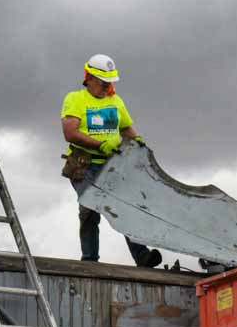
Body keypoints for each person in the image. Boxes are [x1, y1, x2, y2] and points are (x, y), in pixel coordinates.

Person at [60, 54, 162, 267]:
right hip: (84, 164)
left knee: (124, 206)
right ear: (89, 78)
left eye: (110, 83)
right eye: (103, 83)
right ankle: (90, 260)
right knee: (90, 207)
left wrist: (137, 139)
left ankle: (141, 255)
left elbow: (125, 127)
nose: (107, 87)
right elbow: (70, 132)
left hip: (112, 165)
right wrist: (99, 145)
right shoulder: (75, 99)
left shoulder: (115, 101)